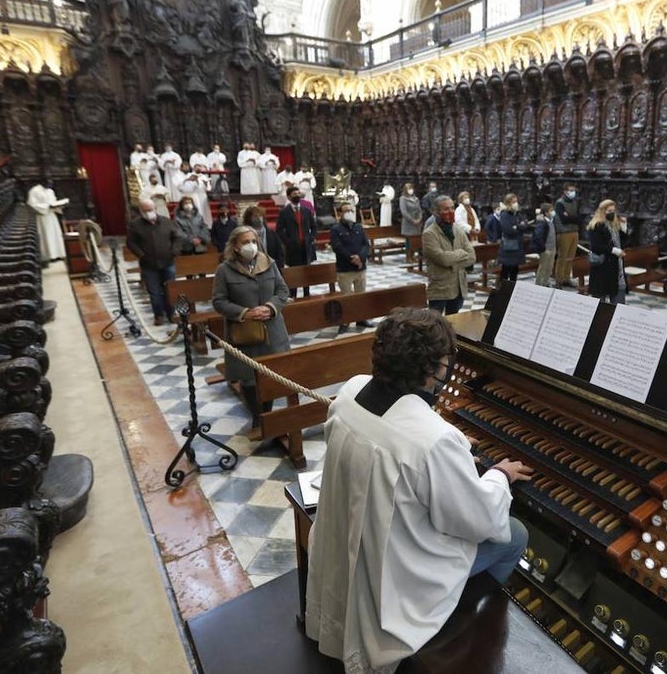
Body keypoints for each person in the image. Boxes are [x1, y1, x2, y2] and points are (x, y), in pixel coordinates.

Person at [305, 307, 533, 673]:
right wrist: (499, 476)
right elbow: (477, 520)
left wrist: (452, 446)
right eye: (444, 363)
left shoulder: (350, 390)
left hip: (343, 542)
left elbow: (397, 431)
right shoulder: (433, 441)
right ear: (432, 369)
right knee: (515, 536)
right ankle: (458, 632)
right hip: (393, 579)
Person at [212, 226, 292, 427]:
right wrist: (244, 313)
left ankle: (267, 415)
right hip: (244, 332)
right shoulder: (224, 270)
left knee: (269, 373)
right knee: (247, 377)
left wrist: (270, 307)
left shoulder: (269, 263)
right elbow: (219, 301)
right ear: (236, 247)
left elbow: (282, 291)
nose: (251, 245)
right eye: (245, 242)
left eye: (253, 241)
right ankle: (257, 417)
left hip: (272, 329)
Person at [126, 198, 184, 325]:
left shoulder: (167, 222)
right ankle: (158, 315)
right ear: (141, 211)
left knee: (170, 289)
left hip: (168, 262)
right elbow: (131, 242)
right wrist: (141, 254)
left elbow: (178, 237)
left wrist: (174, 251)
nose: (148, 213)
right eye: (145, 211)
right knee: (154, 292)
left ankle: (171, 313)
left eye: (150, 210)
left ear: (155, 209)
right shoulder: (135, 225)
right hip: (148, 264)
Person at [423, 195, 476, 315]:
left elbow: (472, 257)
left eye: (452, 208)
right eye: (446, 209)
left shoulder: (458, 229)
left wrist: (453, 257)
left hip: (458, 286)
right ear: (436, 212)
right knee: (436, 324)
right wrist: (461, 253)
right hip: (440, 288)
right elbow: (443, 259)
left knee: (454, 323)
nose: (451, 212)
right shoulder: (429, 233)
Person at [330, 202, 374, 333]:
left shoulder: (358, 227)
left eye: (351, 210)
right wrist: (353, 259)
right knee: (346, 297)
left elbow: (366, 245)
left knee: (361, 295)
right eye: (346, 211)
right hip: (345, 269)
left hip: (360, 268)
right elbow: (338, 248)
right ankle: (345, 321)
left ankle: (361, 318)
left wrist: (361, 257)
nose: (349, 212)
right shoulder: (336, 229)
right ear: (340, 214)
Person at [276, 186, 317, 298]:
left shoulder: (306, 211)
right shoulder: (284, 212)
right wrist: (288, 241)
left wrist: (310, 238)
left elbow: (314, 227)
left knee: (306, 272)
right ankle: (293, 295)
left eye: (298, 193)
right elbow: (279, 229)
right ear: (289, 196)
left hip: (306, 246)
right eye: (294, 194)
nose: (297, 195)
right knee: (294, 273)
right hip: (292, 247)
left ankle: (307, 294)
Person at [587, 199, 629, 305]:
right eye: (609, 211)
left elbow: (623, 243)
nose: (612, 213)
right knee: (600, 302)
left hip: (615, 267)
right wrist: (613, 250)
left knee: (618, 303)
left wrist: (624, 228)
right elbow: (596, 246)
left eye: (613, 211)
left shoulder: (614, 225)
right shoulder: (597, 225)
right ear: (602, 211)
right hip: (602, 268)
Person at [26, 181, 68, 263]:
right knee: (47, 236)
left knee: (54, 235)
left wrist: (60, 206)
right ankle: (48, 256)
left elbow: (54, 202)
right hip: (42, 217)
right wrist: (47, 206)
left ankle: (58, 254)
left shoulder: (50, 191)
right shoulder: (34, 190)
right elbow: (32, 204)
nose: (50, 184)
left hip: (52, 216)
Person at [496, 194, 531, 284]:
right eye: (514, 202)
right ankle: (503, 290)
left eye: (516, 201)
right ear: (508, 203)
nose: (516, 204)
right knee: (506, 270)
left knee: (515, 271)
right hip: (509, 248)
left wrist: (517, 227)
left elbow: (525, 225)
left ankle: (512, 289)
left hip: (517, 247)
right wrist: (519, 226)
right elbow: (509, 230)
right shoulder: (505, 214)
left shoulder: (517, 213)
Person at [553, 184, 583, 288]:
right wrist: (573, 218)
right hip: (564, 232)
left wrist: (571, 217)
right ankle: (559, 279)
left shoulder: (574, 202)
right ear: (565, 191)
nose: (572, 192)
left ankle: (566, 278)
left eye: (573, 190)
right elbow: (564, 219)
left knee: (570, 257)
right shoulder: (560, 203)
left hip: (574, 231)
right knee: (563, 257)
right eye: (570, 190)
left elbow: (578, 218)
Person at [242, 205, 285, 269]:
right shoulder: (244, 235)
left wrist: (275, 267)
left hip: (272, 268)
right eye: (255, 216)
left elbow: (280, 254)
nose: (259, 218)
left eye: (260, 216)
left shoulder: (272, 235)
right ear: (249, 219)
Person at [178, 160, 212, 225]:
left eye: (200, 166)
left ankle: (205, 224)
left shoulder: (204, 176)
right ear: (193, 168)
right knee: (197, 210)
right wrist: (194, 181)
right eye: (197, 166)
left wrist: (206, 184)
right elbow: (185, 187)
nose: (198, 168)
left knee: (205, 212)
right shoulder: (189, 175)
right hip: (195, 196)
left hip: (203, 196)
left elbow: (209, 189)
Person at [532, 201, 557, 288]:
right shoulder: (542, 222)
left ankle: (545, 282)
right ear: (546, 213)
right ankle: (538, 284)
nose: (552, 212)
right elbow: (538, 237)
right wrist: (543, 248)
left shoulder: (551, 221)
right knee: (543, 268)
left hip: (552, 247)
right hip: (546, 249)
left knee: (549, 267)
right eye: (551, 210)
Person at [399, 183, 423, 258]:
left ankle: (413, 256)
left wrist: (419, 218)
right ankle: (408, 256)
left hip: (417, 223)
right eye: (409, 189)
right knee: (409, 241)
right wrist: (412, 220)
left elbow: (420, 210)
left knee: (415, 240)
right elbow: (404, 212)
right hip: (408, 223)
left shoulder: (416, 199)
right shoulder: (403, 199)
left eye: (411, 188)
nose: (410, 190)